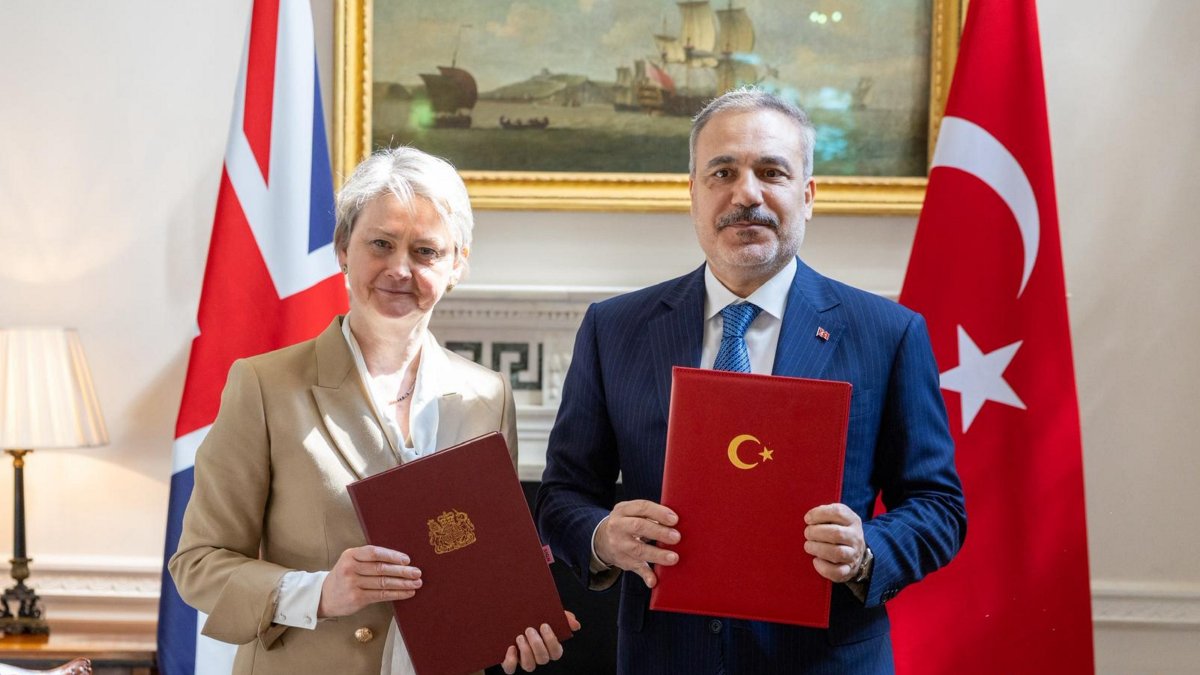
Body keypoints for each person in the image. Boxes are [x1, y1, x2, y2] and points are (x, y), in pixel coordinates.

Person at [534, 89, 966, 673]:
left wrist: (867, 551)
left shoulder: (888, 334)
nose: (747, 194)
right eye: (723, 172)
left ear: (807, 196)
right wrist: (603, 538)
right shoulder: (614, 330)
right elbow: (562, 494)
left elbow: (938, 506)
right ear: (694, 193)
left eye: (771, 172)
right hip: (664, 657)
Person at [170, 147, 578, 675]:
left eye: (426, 251)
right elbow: (198, 564)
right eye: (381, 244)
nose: (400, 269)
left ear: (458, 265)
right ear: (343, 249)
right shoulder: (264, 386)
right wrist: (318, 591)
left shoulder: (489, 395)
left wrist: (512, 627)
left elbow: (482, 562)